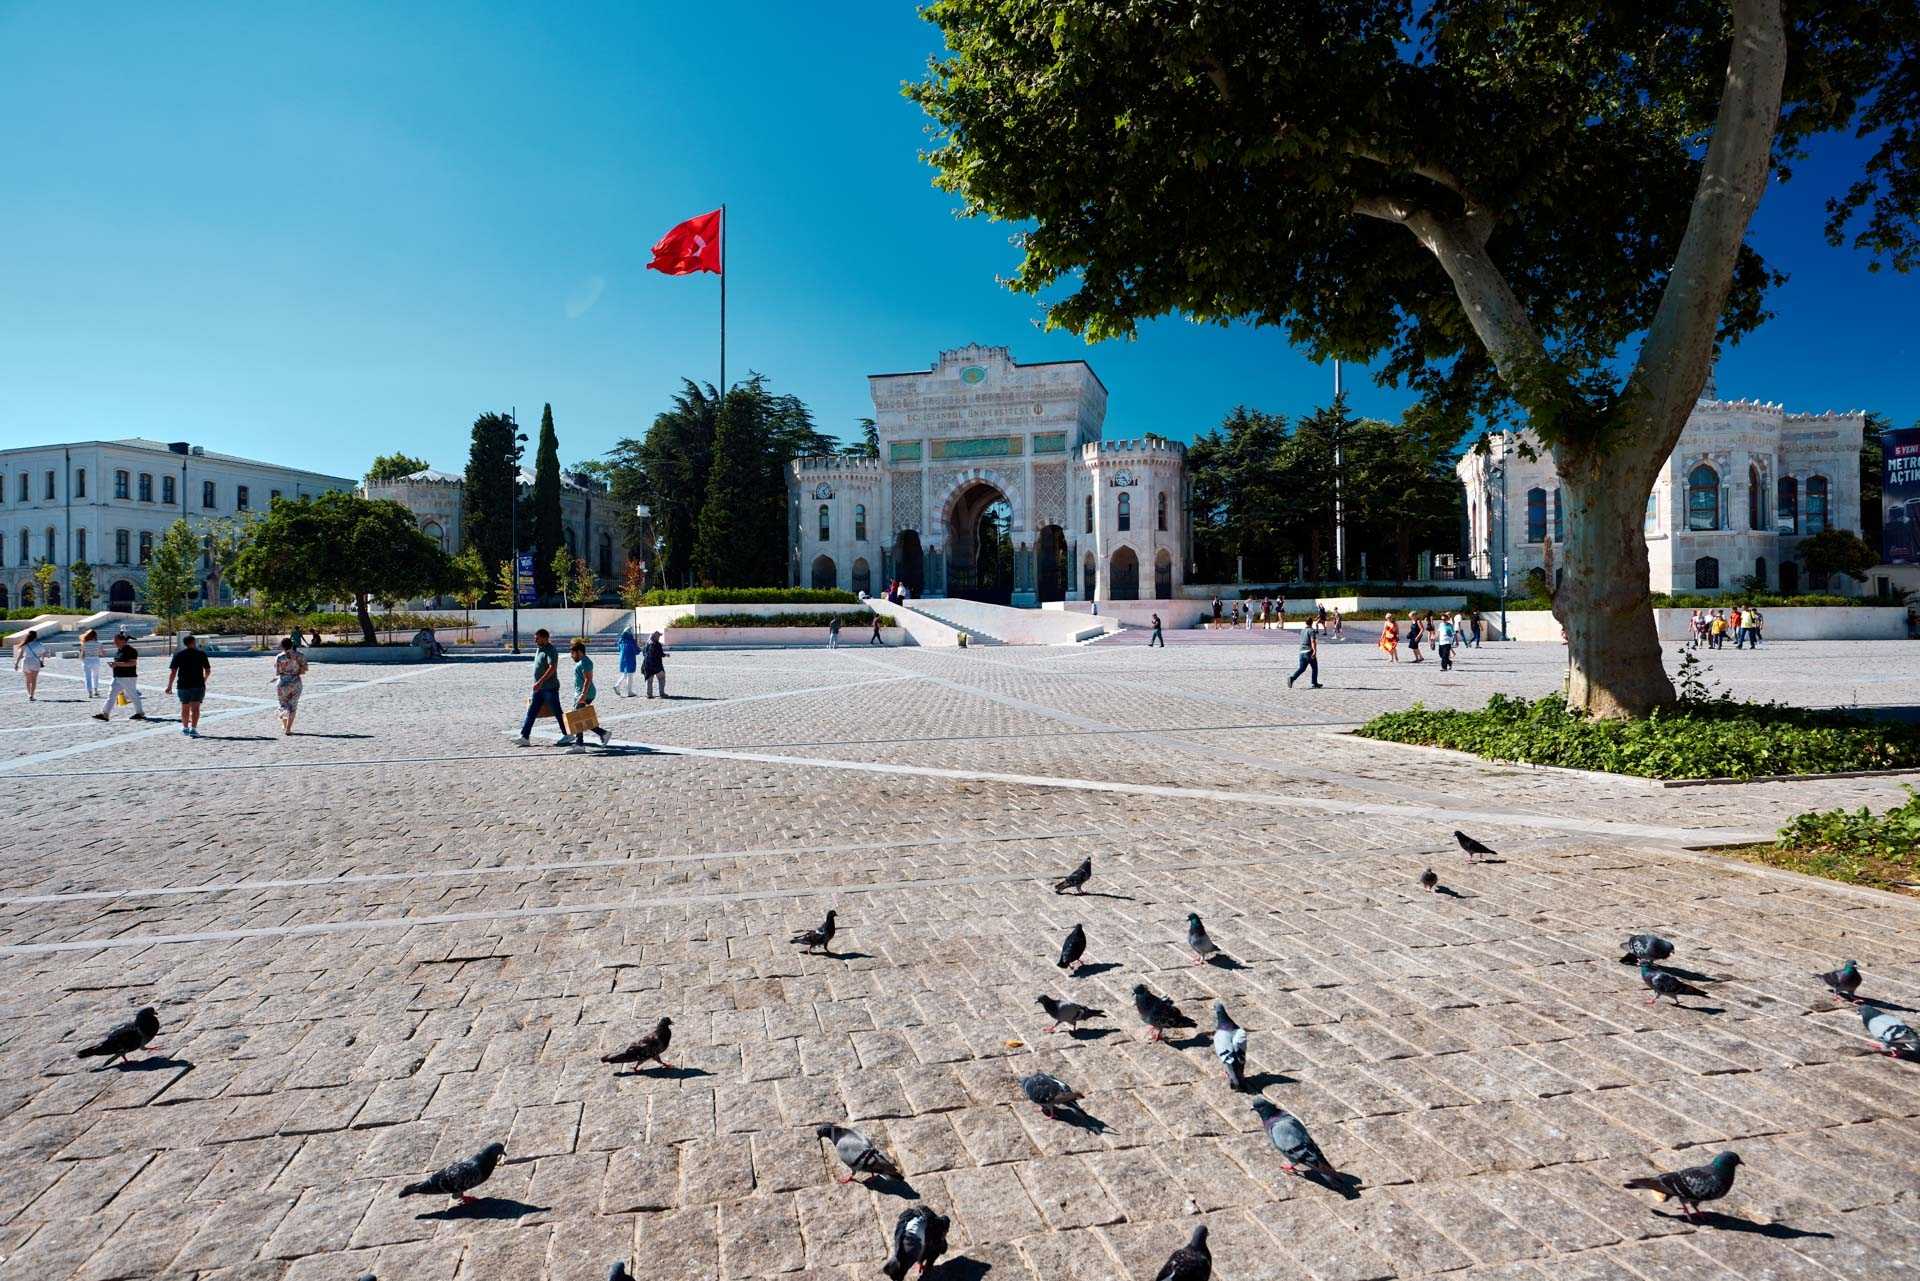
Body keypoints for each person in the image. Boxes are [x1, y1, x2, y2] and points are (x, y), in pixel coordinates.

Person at [516, 628, 568, 746]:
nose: (535, 641)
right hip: (539, 689)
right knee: (531, 712)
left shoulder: (551, 650)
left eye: (537, 638)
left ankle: (567, 734)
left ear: (544, 638)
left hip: (549, 687)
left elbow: (552, 668)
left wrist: (540, 681)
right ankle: (525, 736)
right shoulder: (539, 649)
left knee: (557, 712)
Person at [562, 638, 612, 751]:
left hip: (586, 694)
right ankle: (602, 734)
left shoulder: (585, 662)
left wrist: (583, 695)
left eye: (572, 653)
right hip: (582, 693)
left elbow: (588, 679)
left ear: (579, 652)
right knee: (580, 717)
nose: (571, 655)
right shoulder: (582, 662)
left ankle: (580, 744)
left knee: (578, 717)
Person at [94, 629, 147, 721]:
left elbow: (132, 663)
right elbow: (120, 662)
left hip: (128, 676)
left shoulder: (131, 650)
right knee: (111, 695)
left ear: (123, 641)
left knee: (133, 695)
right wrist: (114, 665)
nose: (115, 643)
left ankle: (140, 713)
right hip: (117, 676)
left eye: (116, 641)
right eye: (114, 642)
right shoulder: (119, 650)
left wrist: (117, 664)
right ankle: (105, 714)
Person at [165, 632, 211, 737]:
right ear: (194, 642)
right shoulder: (201, 654)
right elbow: (208, 670)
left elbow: (173, 672)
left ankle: (185, 727)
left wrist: (169, 686)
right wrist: (204, 680)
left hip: (183, 684)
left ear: (185, 643)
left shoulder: (178, 654)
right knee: (196, 708)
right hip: (198, 684)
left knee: (184, 707)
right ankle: (193, 729)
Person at [273, 637, 308, 735]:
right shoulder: (300, 655)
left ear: (282, 646)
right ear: (292, 645)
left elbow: (277, 672)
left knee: (283, 705)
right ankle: (288, 728)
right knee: (293, 706)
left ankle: (284, 725)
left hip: (282, 682)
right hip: (295, 682)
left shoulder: (279, 657)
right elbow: (304, 670)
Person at [12, 628, 46, 701]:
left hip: (25, 661)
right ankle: (32, 695)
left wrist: (16, 664)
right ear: (35, 636)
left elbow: (20, 655)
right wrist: (42, 661)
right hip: (35, 661)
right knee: (34, 680)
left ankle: (28, 694)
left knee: (27, 679)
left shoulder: (25, 644)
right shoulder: (39, 644)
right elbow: (43, 654)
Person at [1288, 618, 1321, 688]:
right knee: (1315, 668)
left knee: (1302, 668)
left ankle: (1292, 678)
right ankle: (1314, 683)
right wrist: (1314, 651)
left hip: (1301, 652)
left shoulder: (1302, 631)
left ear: (1305, 623)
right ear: (1312, 623)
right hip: (1309, 652)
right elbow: (1313, 641)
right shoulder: (1311, 631)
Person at [641, 630, 668, 699]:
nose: (659, 637)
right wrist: (666, 655)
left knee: (649, 680)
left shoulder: (647, 644)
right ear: (655, 637)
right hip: (656, 664)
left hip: (647, 664)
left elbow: (643, 653)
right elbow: (660, 654)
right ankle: (662, 693)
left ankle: (649, 694)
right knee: (662, 678)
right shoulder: (657, 644)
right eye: (658, 636)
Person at [614, 626, 639, 697]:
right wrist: (639, 649)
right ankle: (629, 691)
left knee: (625, 674)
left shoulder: (621, 640)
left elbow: (619, 649)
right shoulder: (631, 640)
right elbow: (636, 650)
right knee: (630, 675)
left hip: (623, 659)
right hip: (630, 658)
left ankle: (617, 685)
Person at [79, 627, 101, 697]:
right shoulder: (99, 643)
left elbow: (82, 654)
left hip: (87, 661)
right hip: (96, 660)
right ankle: (96, 690)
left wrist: (81, 659)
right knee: (96, 676)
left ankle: (90, 692)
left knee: (87, 677)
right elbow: (102, 653)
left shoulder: (84, 644)